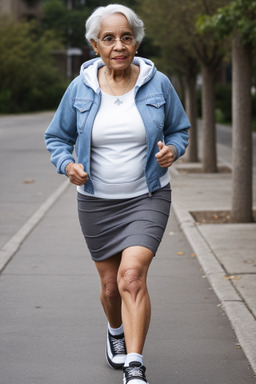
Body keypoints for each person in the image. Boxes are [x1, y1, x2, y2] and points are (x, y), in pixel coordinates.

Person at [45, 4, 190, 384]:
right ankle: (114, 332)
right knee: (110, 289)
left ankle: (135, 365)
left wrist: (173, 150)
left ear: (136, 42)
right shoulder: (80, 88)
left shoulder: (158, 84)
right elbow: (56, 138)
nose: (119, 45)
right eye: (109, 38)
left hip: (148, 195)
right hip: (96, 202)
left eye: (126, 37)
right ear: (96, 45)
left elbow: (180, 130)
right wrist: (67, 164)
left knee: (131, 278)